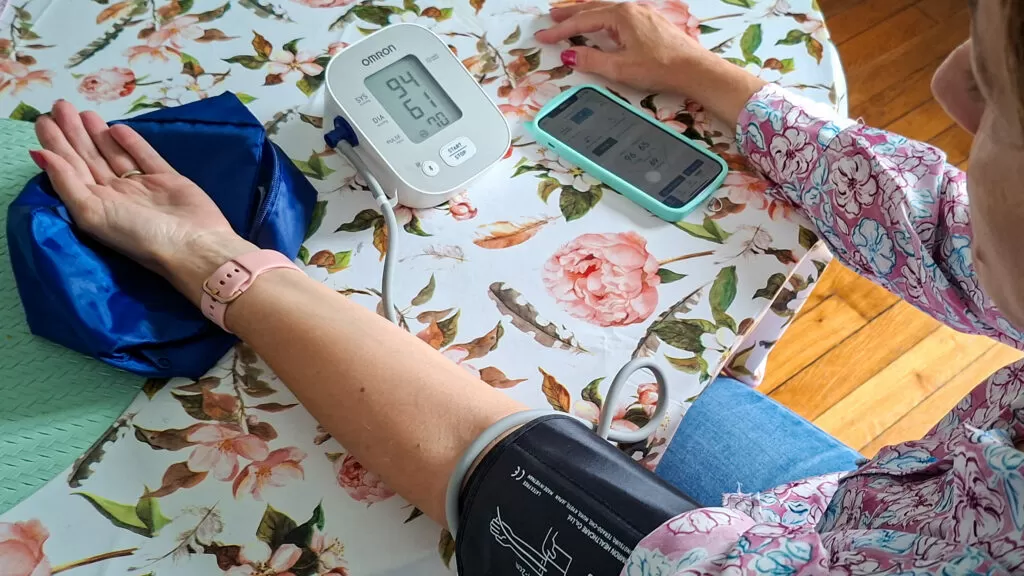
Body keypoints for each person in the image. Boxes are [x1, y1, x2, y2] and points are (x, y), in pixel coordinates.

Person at [23, 0, 1023, 572]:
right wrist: (700, 72)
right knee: (673, 391)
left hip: (841, 538)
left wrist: (216, 264)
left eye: (997, 94)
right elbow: (938, 225)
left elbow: (543, 497)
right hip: (913, 485)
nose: (944, 90)